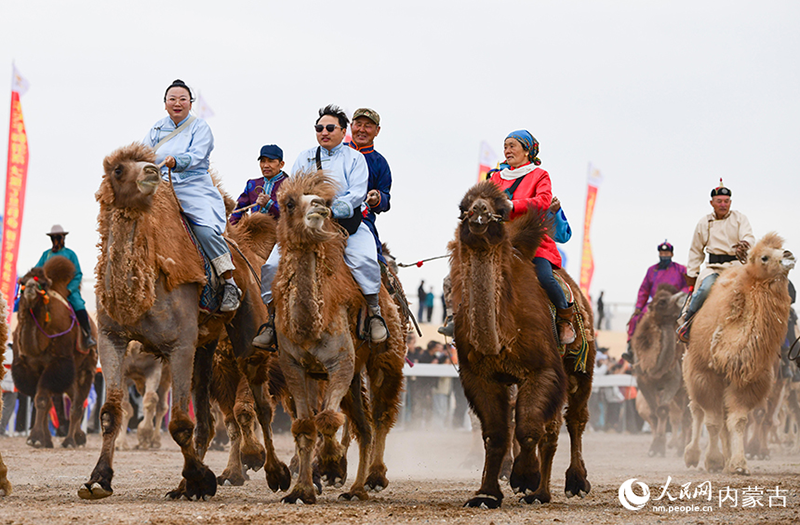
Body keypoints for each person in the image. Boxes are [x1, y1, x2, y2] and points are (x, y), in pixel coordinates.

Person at [253, 104, 388, 348]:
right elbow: (291, 189)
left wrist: (330, 210)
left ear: (342, 130)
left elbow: (357, 194)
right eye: (319, 128)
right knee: (271, 266)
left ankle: (374, 312)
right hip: (306, 225)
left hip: (344, 225)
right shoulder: (304, 157)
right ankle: (271, 320)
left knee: (366, 261)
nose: (324, 132)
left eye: (329, 128)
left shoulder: (356, 159)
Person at [142, 79, 240, 312]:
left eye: (182, 99)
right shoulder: (156, 129)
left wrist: (178, 161)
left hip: (193, 187)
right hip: (162, 188)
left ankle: (229, 283)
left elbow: (198, 155)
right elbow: (143, 154)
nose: (177, 103)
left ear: (190, 103)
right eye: (172, 99)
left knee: (205, 231)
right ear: (165, 104)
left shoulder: (200, 127)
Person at [488, 130, 576, 344]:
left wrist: (513, 206)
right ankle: (459, 319)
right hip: (501, 242)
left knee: (545, 278)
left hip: (533, 242)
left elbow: (544, 200)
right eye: (505, 146)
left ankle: (565, 319)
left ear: (527, 150)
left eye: (512, 145)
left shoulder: (540, 175)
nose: (507, 150)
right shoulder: (496, 177)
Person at [677, 180, 755, 342]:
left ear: (730, 202)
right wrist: (692, 274)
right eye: (719, 201)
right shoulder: (704, 223)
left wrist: (745, 244)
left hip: (737, 267)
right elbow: (696, 251)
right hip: (714, 268)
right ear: (712, 203)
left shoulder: (740, 219)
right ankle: (688, 323)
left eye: (726, 201)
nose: (723, 204)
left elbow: (748, 236)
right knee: (705, 289)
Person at [621, 241, 689, 362]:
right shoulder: (652, 270)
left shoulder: (681, 269)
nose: (664, 255)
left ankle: (690, 349)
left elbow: (687, 285)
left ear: (671, 254)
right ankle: (631, 349)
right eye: (662, 252)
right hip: (656, 305)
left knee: (688, 320)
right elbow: (644, 290)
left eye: (666, 252)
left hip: (674, 304)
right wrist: (638, 307)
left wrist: (679, 296)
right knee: (636, 319)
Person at [36, 225, 96, 349]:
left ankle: (87, 335)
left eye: (58, 237)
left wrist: (69, 289)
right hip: (50, 290)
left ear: (63, 238)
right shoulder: (46, 255)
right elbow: (37, 271)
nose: (56, 240)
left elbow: (78, 274)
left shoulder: (70, 254)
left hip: (67, 289)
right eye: (54, 237)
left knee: (78, 304)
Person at [345, 108, 392, 264]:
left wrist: (377, 197)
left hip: (363, 222)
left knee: (375, 264)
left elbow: (386, 200)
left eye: (368, 126)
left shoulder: (380, 163)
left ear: (377, 131)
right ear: (351, 126)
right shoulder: (337, 154)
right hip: (329, 218)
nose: (362, 130)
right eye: (358, 124)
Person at [229, 144, 288, 224]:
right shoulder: (252, 184)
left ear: (281, 164)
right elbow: (238, 209)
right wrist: (231, 230)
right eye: (263, 161)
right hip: (256, 232)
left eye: (271, 161)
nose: (266, 165)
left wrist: (269, 204)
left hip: (281, 234)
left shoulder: (290, 185)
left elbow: (293, 214)